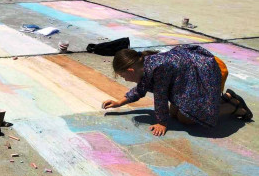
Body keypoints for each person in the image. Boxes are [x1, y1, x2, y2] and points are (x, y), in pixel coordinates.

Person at [102, 46, 253, 137]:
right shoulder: (144, 65)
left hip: (207, 74)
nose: (125, 79)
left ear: (130, 70)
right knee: (174, 113)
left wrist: (162, 122)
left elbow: (160, 97)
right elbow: (141, 89)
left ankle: (235, 106)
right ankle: (227, 97)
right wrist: (119, 102)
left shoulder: (157, 68)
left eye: (123, 76)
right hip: (192, 78)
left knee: (185, 118)